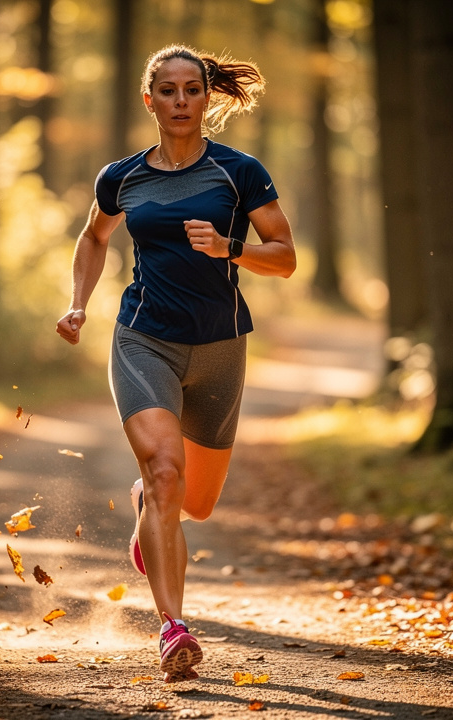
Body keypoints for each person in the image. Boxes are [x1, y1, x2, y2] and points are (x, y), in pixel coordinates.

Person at [56, 45, 296, 682]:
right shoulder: (123, 177)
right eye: (168, 90)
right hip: (144, 338)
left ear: (208, 98)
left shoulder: (239, 173)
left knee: (197, 501)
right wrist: (78, 304)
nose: (181, 101)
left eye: (193, 90)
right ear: (150, 99)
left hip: (221, 346)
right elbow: (94, 236)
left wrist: (230, 246)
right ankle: (172, 628)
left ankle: (148, 507)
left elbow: (286, 256)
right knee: (166, 470)